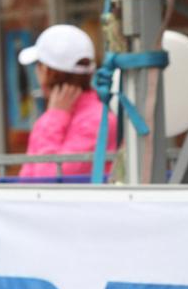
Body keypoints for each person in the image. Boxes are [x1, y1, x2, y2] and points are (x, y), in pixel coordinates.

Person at [17, 24, 118, 178]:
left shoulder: (96, 120)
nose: (37, 72)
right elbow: (27, 181)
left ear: (47, 71)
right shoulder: (57, 117)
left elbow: (47, 178)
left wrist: (54, 117)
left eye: (39, 65)